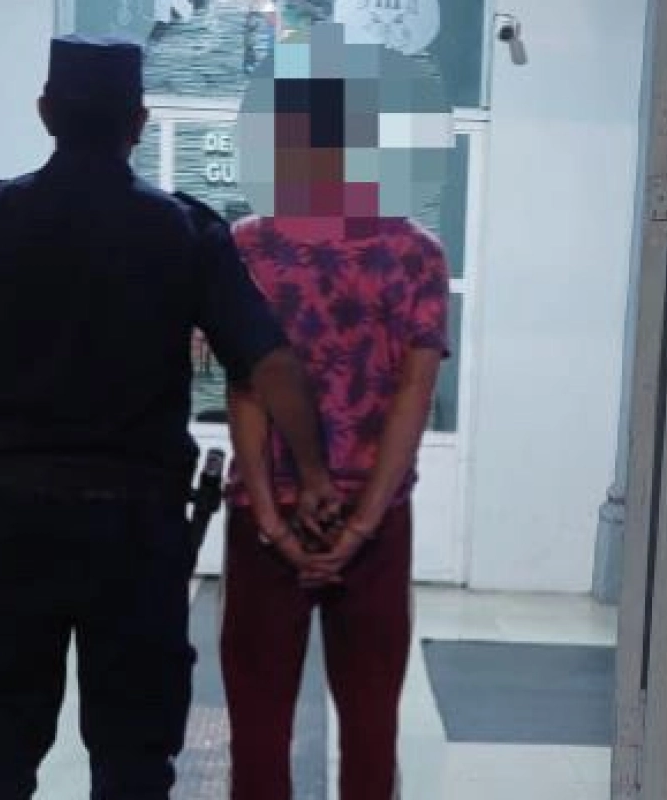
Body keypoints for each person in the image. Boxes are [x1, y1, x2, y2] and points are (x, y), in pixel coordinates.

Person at [0, 35, 338, 800]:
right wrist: (315, 473)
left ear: (45, 112)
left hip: (15, 522)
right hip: (137, 532)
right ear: (139, 123)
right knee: (134, 760)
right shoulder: (185, 231)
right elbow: (270, 364)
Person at [220, 74, 451, 799]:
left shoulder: (247, 248)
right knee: (371, 728)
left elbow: (246, 388)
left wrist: (272, 521)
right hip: (374, 522)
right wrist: (361, 526)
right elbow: (414, 395)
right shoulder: (416, 254)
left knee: (259, 728)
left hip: (266, 517)